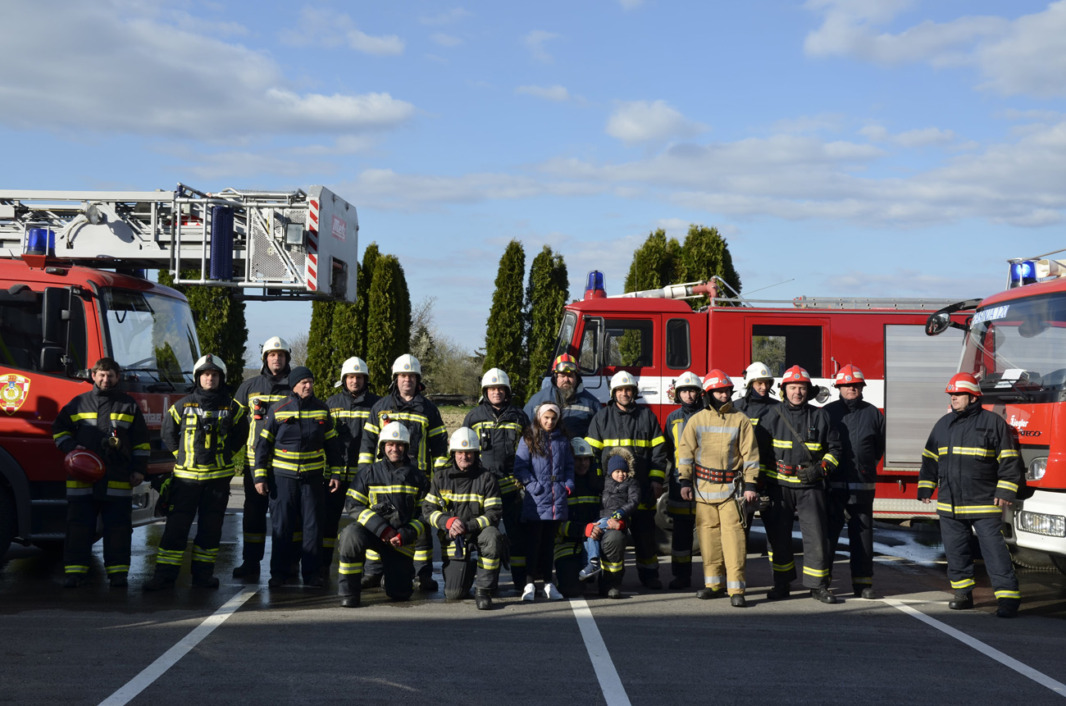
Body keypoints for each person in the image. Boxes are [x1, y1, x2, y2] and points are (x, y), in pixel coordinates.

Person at [918, 372, 1023, 618]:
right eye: (951, 394)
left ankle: (1008, 598)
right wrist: (926, 486)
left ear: (973, 396)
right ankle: (963, 594)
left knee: (994, 552)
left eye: (957, 394)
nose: (953, 398)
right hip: (950, 503)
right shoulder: (943, 424)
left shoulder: (993, 423)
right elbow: (930, 458)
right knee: (956, 551)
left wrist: (1005, 490)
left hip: (983, 501)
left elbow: (1009, 459)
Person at [145, 354, 249, 590]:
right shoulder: (182, 406)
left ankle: (203, 576)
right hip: (186, 481)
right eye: (205, 374)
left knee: (210, 531)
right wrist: (179, 456)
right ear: (198, 377)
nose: (209, 378)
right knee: (175, 529)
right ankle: (164, 577)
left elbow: (241, 435)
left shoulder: (233, 408)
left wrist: (226, 455)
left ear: (221, 378)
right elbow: (167, 434)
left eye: (214, 374)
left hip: (217, 482)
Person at [52, 357, 150, 588]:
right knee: (78, 526)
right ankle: (75, 572)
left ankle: (118, 575)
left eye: (111, 375)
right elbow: (59, 428)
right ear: (94, 376)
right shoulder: (78, 403)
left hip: (118, 477)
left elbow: (141, 442)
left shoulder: (129, 405)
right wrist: (70, 448)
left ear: (117, 377)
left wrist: (138, 470)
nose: (106, 379)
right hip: (81, 479)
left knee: (118, 528)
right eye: (102, 375)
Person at [357, 354, 448, 592]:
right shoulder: (380, 407)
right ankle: (374, 572)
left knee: (421, 526)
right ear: (395, 379)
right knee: (379, 521)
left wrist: (438, 478)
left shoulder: (429, 409)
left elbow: (439, 446)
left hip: (418, 479)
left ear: (418, 380)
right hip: (382, 479)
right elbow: (367, 442)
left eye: (411, 376)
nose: (407, 380)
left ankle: (422, 574)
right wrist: (365, 473)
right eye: (402, 376)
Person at [253, 366, 343, 589]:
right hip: (283, 480)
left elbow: (333, 445)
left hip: (312, 480)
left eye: (311, 382)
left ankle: (312, 575)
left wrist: (336, 472)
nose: (308, 386)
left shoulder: (322, 410)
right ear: (293, 385)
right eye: (303, 382)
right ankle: (279, 574)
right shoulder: (279, 409)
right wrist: (259, 476)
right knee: (282, 527)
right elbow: (262, 446)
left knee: (313, 527)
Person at [761, 365, 843, 604]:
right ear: (783, 389)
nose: (797, 392)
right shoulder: (770, 416)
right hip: (779, 487)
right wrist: (762, 486)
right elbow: (760, 455)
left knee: (816, 537)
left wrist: (819, 470)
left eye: (802, 388)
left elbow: (835, 451)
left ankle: (818, 586)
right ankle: (782, 583)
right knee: (778, 538)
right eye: (793, 387)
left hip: (811, 486)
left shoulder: (821, 416)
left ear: (809, 390)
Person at [677, 370, 759, 608]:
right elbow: (685, 454)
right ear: (709, 394)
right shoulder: (696, 420)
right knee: (708, 539)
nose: (724, 395)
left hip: (732, 491)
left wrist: (751, 484)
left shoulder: (740, 420)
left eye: (727, 391)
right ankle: (714, 585)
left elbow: (751, 456)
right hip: (703, 491)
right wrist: (684, 481)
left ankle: (736, 589)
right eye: (719, 391)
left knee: (734, 539)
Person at [586, 371, 668, 590]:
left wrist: (657, 479)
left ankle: (650, 576)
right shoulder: (601, 418)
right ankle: (611, 581)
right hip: (611, 493)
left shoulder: (647, 417)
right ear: (614, 393)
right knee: (613, 537)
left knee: (645, 537)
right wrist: (597, 484)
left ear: (634, 392)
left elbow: (659, 452)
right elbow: (591, 455)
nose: (625, 393)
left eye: (628, 389)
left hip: (641, 488)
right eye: (620, 390)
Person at [337, 422, 429, 607]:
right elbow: (353, 505)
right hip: (374, 533)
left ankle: (391, 577)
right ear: (382, 447)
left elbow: (425, 514)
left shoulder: (418, 477)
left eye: (399, 445)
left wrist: (406, 533)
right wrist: (382, 529)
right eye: (390, 444)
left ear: (406, 447)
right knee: (349, 535)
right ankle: (349, 593)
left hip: (399, 539)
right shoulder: (368, 473)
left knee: (400, 594)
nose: (394, 449)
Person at [462, 368, 530, 590]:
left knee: (518, 536)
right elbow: (463, 453)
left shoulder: (519, 416)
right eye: (492, 388)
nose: (496, 392)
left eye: (501, 388)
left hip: (512, 489)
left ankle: (522, 582)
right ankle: (486, 582)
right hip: (483, 490)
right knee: (485, 535)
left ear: (507, 391)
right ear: (485, 391)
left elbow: (531, 451)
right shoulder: (473, 417)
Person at [423, 427, 504, 610]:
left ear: (476, 454)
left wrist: (468, 526)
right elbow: (428, 509)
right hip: (455, 539)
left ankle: (484, 590)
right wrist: (447, 522)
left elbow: (494, 513)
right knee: (454, 594)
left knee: (492, 536)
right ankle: (471, 567)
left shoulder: (486, 478)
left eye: (469, 453)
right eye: (460, 452)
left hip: (479, 533)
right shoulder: (440, 477)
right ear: (453, 453)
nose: (464, 457)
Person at [232, 336, 292, 581]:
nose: (276, 358)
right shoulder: (249, 386)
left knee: (285, 516)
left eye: (281, 354)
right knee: (253, 514)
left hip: (284, 465)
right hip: (253, 465)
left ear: (287, 358)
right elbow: (233, 423)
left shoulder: (294, 387)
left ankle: (286, 564)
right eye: (272, 354)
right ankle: (250, 562)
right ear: (265, 358)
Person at [824, 364, 885, 599]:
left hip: (862, 487)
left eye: (855, 385)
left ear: (861, 387)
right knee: (828, 538)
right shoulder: (828, 412)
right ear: (839, 387)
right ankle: (823, 583)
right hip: (833, 487)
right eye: (847, 385)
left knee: (862, 539)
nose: (852, 388)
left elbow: (878, 447)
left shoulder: (873, 413)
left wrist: (865, 466)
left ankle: (862, 584)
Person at [323, 357, 380, 575]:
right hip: (334, 476)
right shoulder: (332, 404)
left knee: (368, 522)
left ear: (365, 380)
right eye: (350, 377)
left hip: (365, 477)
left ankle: (371, 570)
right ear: (343, 379)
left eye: (359, 377)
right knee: (328, 523)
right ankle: (323, 566)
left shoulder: (377, 405)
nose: (354, 381)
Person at [513, 403, 574, 602]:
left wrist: (568, 485)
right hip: (537, 500)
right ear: (539, 417)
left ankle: (549, 582)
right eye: (546, 418)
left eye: (553, 418)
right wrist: (533, 487)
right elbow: (520, 467)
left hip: (557, 499)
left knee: (549, 543)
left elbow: (568, 466)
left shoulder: (563, 440)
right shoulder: (528, 438)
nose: (549, 422)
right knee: (534, 542)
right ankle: (529, 583)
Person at [662, 371, 704, 590]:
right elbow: (669, 451)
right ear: (678, 394)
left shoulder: (708, 414)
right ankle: (681, 576)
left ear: (699, 393)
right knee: (680, 535)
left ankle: (714, 576)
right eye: (684, 391)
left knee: (708, 532)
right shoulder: (673, 418)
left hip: (706, 482)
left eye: (692, 391)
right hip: (680, 483)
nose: (689, 395)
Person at [732, 361, 780, 532]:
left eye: (767, 383)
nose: (764, 387)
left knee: (775, 530)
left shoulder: (778, 408)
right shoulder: (736, 408)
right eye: (760, 383)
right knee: (741, 528)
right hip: (742, 478)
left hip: (771, 478)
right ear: (750, 383)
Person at [579, 450, 639, 585]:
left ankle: (593, 563)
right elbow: (593, 483)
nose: (621, 474)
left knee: (594, 531)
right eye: (617, 471)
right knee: (590, 532)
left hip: (615, 518)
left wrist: (621, 513)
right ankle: (590, 563)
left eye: (623, 471)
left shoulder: (631, 483)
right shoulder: (605, 482)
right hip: (601, 517)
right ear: (610, 472)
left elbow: (634, 501)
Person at [554, 438, 605, 597]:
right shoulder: (560, 486)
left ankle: (608, 581)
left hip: (593, 541)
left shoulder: (597, 484)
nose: (582, 463)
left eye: (586, 459)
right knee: (571, 590)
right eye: (577, 459)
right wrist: (583, 530)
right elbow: (556, 525)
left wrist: (597, 529)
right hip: (567, 544)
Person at [524, 353, 601, 438]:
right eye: (562, 375)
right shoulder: (537, 400)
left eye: (570, 375)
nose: (566, 379)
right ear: (555, 377)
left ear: (576, 377)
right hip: (546, 450)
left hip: (578, 450)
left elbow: (600, 432)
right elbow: (526, 429)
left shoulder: (592, 403)